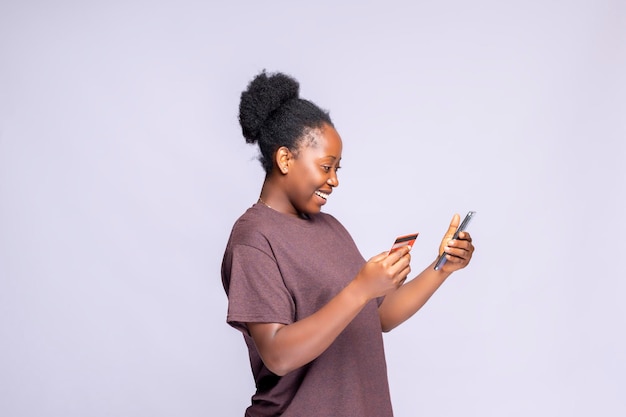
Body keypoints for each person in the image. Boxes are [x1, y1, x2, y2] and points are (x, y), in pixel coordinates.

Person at [221, 70, 475, 417]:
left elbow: (379, 315)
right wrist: (359, 288)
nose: (334, 180)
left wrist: (443, 266)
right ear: (285, 159)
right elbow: (278, 354)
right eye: (326, 167)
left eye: (338, 168)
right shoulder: (254, 239)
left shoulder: (330, 227)